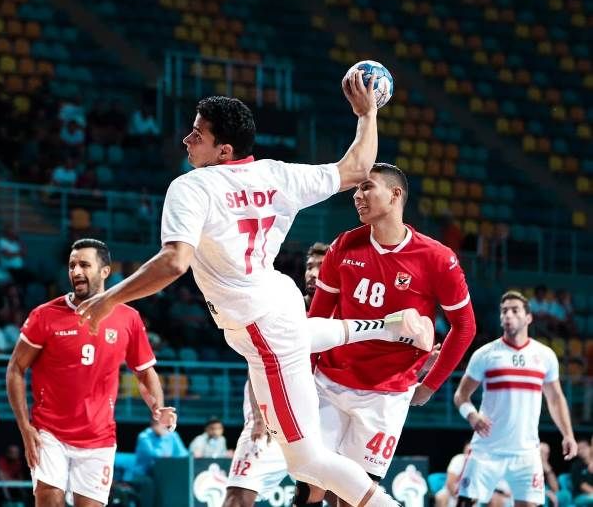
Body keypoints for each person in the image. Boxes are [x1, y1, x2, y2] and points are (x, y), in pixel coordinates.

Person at [76, 84, 435, 506]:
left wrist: (109, 299)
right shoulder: (277, 174)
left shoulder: (192, 187)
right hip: (274, 299)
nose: (187, 139)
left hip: (260, 326)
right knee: (299, 338)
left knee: (306, 462)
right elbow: (356, 168)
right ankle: (387, 327)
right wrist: (367, 114)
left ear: (224, 150)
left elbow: (174, 262)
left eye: (198, 134)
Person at [299, 163, 477, 506]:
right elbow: (316, 320)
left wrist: (430, 386)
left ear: (395, 195)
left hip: (385, 396)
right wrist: (303, 375)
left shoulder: (437, 258)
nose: (357, 195)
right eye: (357, 188)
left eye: (367, 187)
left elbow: (465, 326)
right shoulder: (343, 246)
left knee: (351, 498)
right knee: (310, 486)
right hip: (329, 383)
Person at [6, 238, 175, 507]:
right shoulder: (44, 315)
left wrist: (158, 406)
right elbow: (16, 368)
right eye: (72, 265)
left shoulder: (128, 318)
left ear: (105, 271)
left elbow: (145, 372)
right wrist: (24, 427)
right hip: (49, 432)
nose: (75, 271)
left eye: (84, 265)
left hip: (98, 436)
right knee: (49, 500)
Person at [453, 290, 578, 507]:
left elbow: (556, 398)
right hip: (486, 450)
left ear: (528, 317)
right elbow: (461, 395)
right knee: (465, 504)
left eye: (514, 310)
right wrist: (472, 415)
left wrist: (568, 434)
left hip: (526, 453)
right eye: (504, 311)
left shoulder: (545, 356)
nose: (508, 315)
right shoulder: (485, 354)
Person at [224, 240, 325, 507]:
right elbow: (256, 359)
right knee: (237, 496)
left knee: (317, 496)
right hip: (272, 417)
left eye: (321, 267)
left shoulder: (341, 316)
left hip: (315, 421)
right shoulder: (286, 306)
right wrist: (259, 417)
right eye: (310, 266)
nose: (312, 273)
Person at [303, 242, 329, 309]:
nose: (313, 274)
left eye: (321, 268)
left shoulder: (343, 311)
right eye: (309, 268)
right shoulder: (291, 306)